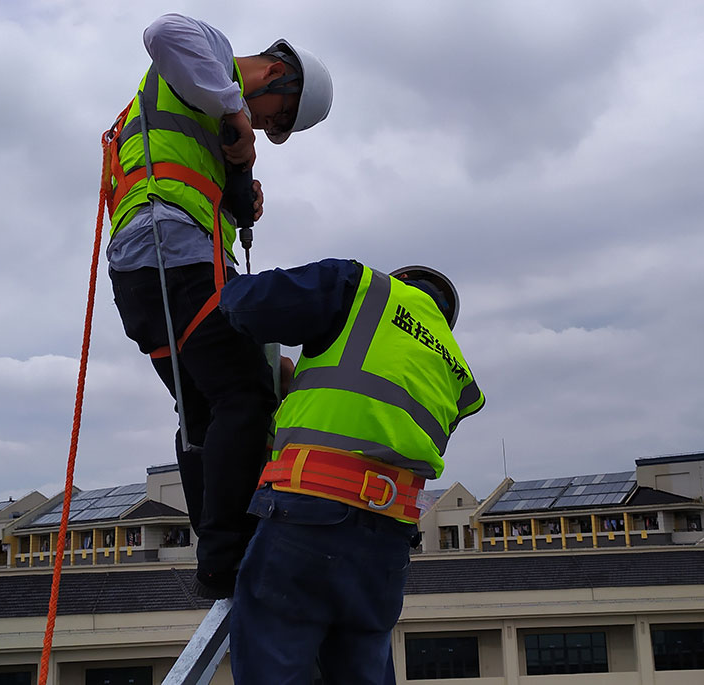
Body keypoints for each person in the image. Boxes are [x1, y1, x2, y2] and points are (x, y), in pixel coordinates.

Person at [103, 13, 334, 599]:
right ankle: (228, 555)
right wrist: (236, 113)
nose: (264, 127)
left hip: (143, 270)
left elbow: (186, 167)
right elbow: (162, 32)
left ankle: (216, 559)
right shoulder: (214, 58)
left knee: (203, 411)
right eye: (275, 116)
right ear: (278, 75)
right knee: (246, 396)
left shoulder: (202, 104)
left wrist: (235, 198)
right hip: (173, 250)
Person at [219, 259, 485, 684]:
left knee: (273, 663)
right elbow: (373, 425)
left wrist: (224, 283)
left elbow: (249, 305)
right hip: (386, 541)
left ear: (400, 283)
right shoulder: (457, 374)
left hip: (307, 518)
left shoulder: (364, 290)